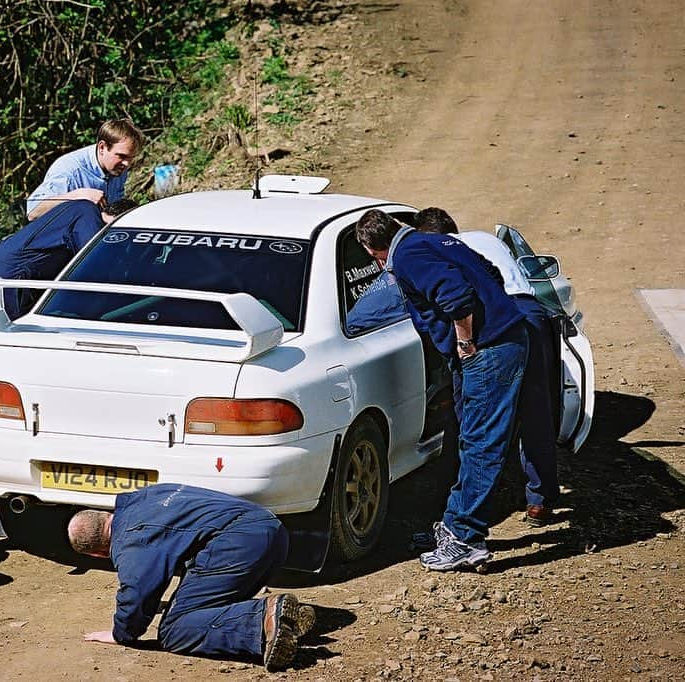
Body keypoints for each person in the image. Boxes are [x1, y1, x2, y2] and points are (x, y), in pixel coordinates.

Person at [355, 209, 527, 571]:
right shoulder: (431, 241)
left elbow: (456, 296)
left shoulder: (406, 256)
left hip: (488, 349)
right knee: (471, 436)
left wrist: (465, 341)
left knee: (481, 441)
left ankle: (466, 538)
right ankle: (455, 524)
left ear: (373, 250)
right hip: (499, 340)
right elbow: (489, 273)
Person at [67, 483, 316, 671]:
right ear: (104, 513)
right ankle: (282, 619)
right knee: (200, 600)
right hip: (270, 528)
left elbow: (138, 592)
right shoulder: (144, 497)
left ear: (99, 554)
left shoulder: (129, 541)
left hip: (240, 545)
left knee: (175, 629)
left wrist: (120, 634)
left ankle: (261, 618)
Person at [412, 207, 559, 525]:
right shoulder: (485, 240)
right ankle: (541, 499)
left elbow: (456, 298)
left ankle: (474, 506)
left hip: (494, 322)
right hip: (532, 314)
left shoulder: (438, 251)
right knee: (536, 411)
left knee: (475, 425)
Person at [0, 197, 137, 380]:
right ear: (121, 221)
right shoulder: (89, 216)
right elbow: (95, 269)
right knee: (12, 360)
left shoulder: (75, 210)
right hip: (12, 282)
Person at [25, 119, 143, 220]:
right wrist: (77, 196)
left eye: (131, 158)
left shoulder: (118, 167)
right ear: (102, 147)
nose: (127, 164)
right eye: (121, 156)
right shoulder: (70, 170)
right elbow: (33, 213)